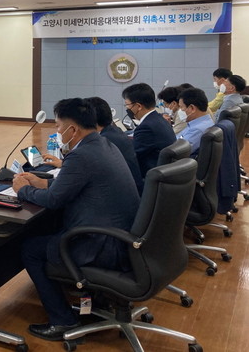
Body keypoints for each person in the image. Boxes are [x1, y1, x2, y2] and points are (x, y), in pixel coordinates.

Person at [13, 98, 139, 341]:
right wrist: (43, 183)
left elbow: (53, 200)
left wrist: (23, 190)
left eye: (59, 126)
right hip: (124, 238)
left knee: (30, 249)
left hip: (101, 245)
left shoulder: (81, 155)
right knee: (50, 230)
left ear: (72, 129)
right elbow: (77, 184)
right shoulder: (105, 144)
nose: (57, 131)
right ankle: (98, 299)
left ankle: (62, 321)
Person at [122, 82, 176, 193]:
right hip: (166, 179)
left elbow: (132, 157)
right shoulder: (159, 119)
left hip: (151, 183)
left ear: (138, 106)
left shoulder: (146, 127)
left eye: (127, 105)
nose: (127, 108)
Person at [177, 87, 215, 155]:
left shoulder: (197, 130)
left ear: (192, 108)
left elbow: (176, 152)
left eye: (181, 107)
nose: (180, 110)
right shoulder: (198, 124)